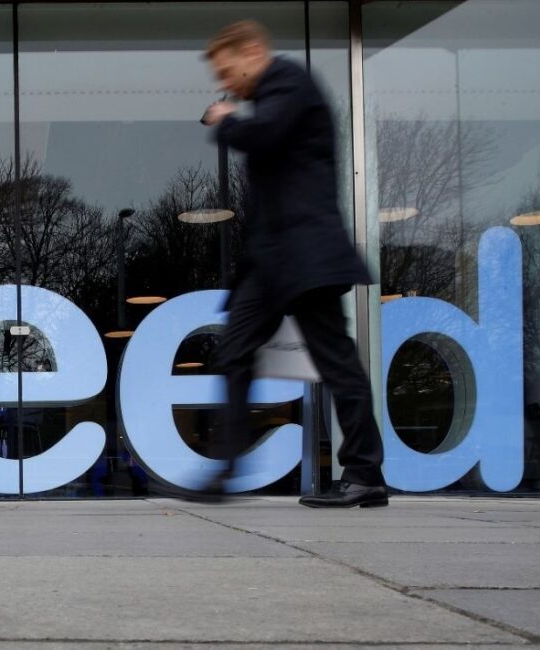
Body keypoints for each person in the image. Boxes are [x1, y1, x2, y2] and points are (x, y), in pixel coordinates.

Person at [199, 20, 388, 508]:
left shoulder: (287, 81)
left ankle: (365, 475)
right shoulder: (272, 94)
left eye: (228, 70)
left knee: (336, 363)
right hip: (271, 261)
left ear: (252, 52)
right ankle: (225, 468)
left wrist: (225, 119)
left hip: (305, 255)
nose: (227, 83)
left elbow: (265, 135)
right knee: (234, 350)